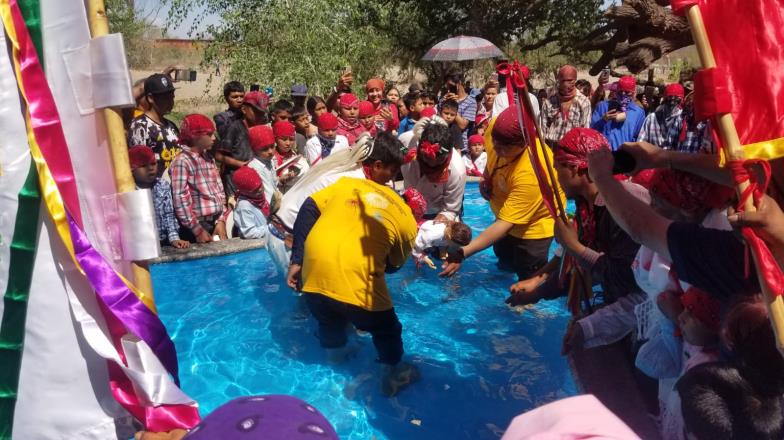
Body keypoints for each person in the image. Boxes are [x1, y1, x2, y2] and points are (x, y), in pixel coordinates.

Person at [286, 134, 419, 396]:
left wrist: (297, 260)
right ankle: (393, 373)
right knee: (388, 329)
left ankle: (335, 357)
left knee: (329, 319)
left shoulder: (347, 185)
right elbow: (394, 265)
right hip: (359, 290)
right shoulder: (406, 218)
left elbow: (308, 208)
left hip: (313, 277)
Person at [505, 128, 646, 353]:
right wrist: (537, 293)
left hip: (651, 311)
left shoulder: (624, 202)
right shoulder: (587, 205)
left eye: (557, 167)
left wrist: (574, 246)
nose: (555, 176)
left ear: (574, 168)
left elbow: (624, 278)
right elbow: (582, 269)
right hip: (624, 302)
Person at [586, 143, 756, 299]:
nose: (651, 208)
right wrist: (662, 158)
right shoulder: (720, 234)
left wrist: (601, 177)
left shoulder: (719, 250)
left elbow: (640, 227)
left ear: (686, 209)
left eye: (658, 203)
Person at [440, 106, 565, 281]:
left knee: (528, 274)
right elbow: (493, 155)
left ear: (524, 143)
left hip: (534, 226)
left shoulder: (533, 171)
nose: (496, 148)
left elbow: (505, 225)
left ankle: (525, 306)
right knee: (503, 261)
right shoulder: (496, 132)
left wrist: (463, 252)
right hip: (504, 213)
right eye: (495, 142)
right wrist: (487, 176)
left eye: (504, 146)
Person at [170, 114, 230, 243]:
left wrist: (221, 219)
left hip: (215, 221)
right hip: (196, 227)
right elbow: (180, 199)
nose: (214, 138)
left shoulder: (208, 159)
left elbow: (219, 191)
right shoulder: (182, 162)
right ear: (195, 136)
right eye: (209, 134)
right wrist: (197, 230)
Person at [401, 120, 466, 221]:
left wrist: (440, 220)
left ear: (448, 154)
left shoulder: (457, 171)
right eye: (426, 159)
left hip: (437, 211)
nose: (432, 164)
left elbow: (450, 210)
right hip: (408, 205)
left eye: (438, 161)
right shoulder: (405, 142)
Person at [128, 145, 189, 249]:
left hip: (163, 241)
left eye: (153, 164)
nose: (150, 168)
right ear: (132, 169)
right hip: (140, 244)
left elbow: (169, 214)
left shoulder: (162, 185)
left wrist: (174, 238)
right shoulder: (129, 190)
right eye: (143, 165)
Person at [215, 90, 270, 196]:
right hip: (236, 184)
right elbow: (219, 155)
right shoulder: (234, 128)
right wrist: (241, 165)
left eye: (261, 112)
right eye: (256, 111)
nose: (259, 115)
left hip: (256, 182)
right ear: (244, 109)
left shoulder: (260, 128)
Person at [128, 73, 180, 175]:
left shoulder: (171, 126)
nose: (170, 101)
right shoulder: (140, 127)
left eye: (171, 96)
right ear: (151, 98)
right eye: (165, 97)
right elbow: (139, 167)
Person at [538, 65, 592, 149]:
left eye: (570, 80)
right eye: (563, 81)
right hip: (552, 148)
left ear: (575, 80)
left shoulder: (584, 102)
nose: (566, 84)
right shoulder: (549, 102)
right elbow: (543, 129)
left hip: (573, 149)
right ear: (559, 81)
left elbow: (585, 129)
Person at [591, 76, 646, 150]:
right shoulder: (603, 106)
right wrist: (603, 120)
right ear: (616, 91)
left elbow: (638, 137)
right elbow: (591, 131)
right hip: (602, 153)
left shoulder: (638, 112)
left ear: (633, 93)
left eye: (627, 92)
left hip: (624, 156)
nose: (623, 94)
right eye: (620, 91)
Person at [637, 83, 685, 148]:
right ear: (664, 98)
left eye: (676, 98)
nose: (672, 102)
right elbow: (641, 143)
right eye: (670, 97)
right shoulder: (651, 118)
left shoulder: (683, 121)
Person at [440, 70, 476, 152]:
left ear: (459, 83)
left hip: (461, 148)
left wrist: (453, 105)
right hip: (443, 145)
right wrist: (446, 103)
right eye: (447, 85)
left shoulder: (471, 102)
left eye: (451, 85)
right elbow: (440, 119)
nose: (449, 88)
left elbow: (462, 125)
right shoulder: (444, 100)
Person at [247, 125, 280, 214]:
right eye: (265, 149)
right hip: (268, 209)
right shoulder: (255, 167)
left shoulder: (270, 160)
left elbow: (273, 183)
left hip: (276, 201)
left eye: (272, 146)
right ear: (255, 149)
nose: (270, 151)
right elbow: (268, 194)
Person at [232, 166, 270, 240]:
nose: (260, 190)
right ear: (245, 191)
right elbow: (249, 233)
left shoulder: (260, 197)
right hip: (259, 243)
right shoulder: (244, 206)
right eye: (255, 190)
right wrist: (272, 229)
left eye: (260, 185)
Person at [273, 120, 309, 193]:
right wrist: (280, 179)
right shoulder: (271, 159)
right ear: (275, 139)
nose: (288, 143)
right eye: (284, 139)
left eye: (291, 139)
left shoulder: (294, 155)